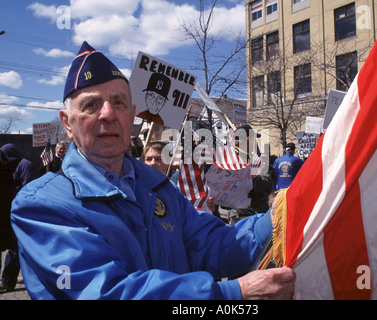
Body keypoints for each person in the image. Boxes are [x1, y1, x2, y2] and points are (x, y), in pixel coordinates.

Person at [10, 41, 295, 300]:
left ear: (131, 114)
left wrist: (282, 213)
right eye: (91, 104)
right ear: (67, 123)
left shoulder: (156, 185)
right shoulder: (40, 206)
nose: (108, 113)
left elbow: (215, 244)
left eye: (118, 102)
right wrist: (232, 293)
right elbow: (108, 292)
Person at [0, 143, 36, 293]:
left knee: (16, 247)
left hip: (20, 212)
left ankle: (8, 280)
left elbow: (27, 188)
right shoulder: (8, 166)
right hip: (6, 212)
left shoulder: (24, 165)